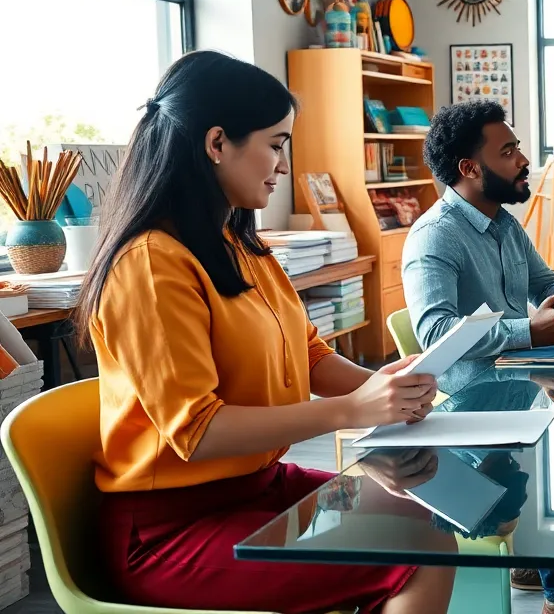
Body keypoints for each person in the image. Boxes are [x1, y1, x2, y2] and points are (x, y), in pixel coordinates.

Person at [75, 51, 453, 614]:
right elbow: (198, 433)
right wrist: (353, 412)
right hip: (170, 530)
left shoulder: (241, 244)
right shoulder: (151, 265)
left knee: (427, 518)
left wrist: (381, 388)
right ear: (217, 143)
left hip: (260, 489)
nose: (283, 163)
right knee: (413, 552)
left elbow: (309, 354)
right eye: (275, 144)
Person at [401, 100, 554, 614]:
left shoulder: (504, 223)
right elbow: (434, 333)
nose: (523, 159)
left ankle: (535, 562)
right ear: (470, 169)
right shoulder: (435, 236)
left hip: (520, 394)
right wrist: (532, 328)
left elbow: (544, 280)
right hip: (467, 415)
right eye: (508, 151)